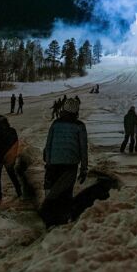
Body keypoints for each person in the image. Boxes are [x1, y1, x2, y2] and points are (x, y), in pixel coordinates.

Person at [41, 97, 88, 227]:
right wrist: (84, 168)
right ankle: (62, 221)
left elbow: (48, 145)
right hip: (70, 165)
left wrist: (48, 163)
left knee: (54, 192)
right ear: (76, 111)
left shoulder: (56, 124)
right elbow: (83, 148)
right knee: (66, 193)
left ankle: (51, 220)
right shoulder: (79, 126)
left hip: (54, 164)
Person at [0, 116, 23, 201]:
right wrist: (14, 156)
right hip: (8, 157)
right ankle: (19, 192)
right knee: (12, 175)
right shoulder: (12, 131)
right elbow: (16, 145)